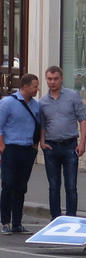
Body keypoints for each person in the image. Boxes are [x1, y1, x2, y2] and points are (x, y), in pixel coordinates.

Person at [39, 66, 86, 219]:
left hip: (70, 146)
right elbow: (42, 124)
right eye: (49, 79)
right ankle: (55, 218)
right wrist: (42, 142)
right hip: (51, 147)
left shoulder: (72, 96)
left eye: (55, 79)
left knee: (71, 186)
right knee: (54, 186)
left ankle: (71, 217)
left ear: (61, 79)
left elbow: (82, 119)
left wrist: (82, 143)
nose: (52, 82)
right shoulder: (42, 102)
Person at [0, 74, 40, 235]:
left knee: (21, 187)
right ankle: (4, 221)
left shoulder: (36, 106)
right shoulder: (7, 103)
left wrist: (35, 147)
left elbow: (39, 127)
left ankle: (17, 223)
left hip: (27, 149)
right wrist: (2, 146)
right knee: (8, 184)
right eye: (34, 86)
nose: (37, 89)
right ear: (24, 87)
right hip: (10, 148)